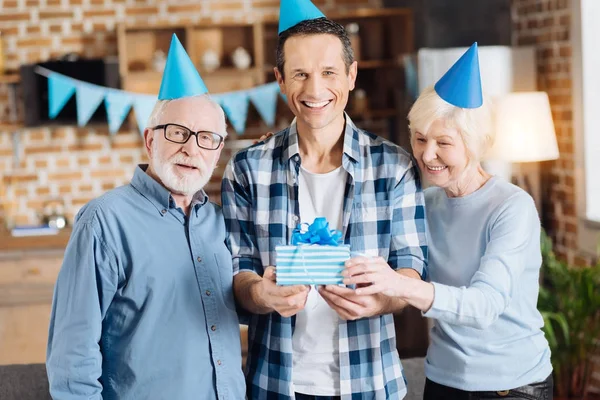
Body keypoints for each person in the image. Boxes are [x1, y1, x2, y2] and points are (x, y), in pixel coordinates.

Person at [221, 0, 428, 398]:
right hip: (275, 385)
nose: (315, 90)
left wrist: (380, 299)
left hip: (372, 384)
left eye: (329, 72)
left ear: (351, 75)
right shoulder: (247, 169)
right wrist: (262, 293)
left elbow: (411, 269)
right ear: (280, 80)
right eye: (300, 74)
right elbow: (238, 270)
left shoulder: (395, 167)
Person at [343, 43, 554, 399]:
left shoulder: (512, 208)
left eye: (444, 142)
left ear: (475, 144)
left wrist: (397, 284)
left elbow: (484, 305)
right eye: (420, 138)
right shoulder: (423, 204)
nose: (427, 154)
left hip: (512, 386)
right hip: (443, 380)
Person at [46, 34, 246, 399]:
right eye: (178, 133)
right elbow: (72, 358)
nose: (191, 148)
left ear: (217, 153)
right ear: (150, 140)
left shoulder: (223, 223)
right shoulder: (103, 222)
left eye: (206, 138)